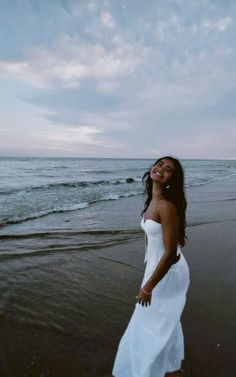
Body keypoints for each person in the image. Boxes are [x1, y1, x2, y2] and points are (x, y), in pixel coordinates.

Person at [112, 156, 190, 377]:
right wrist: (148, 262)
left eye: (168, 170)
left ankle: (152, 370)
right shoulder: (153, 200)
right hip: (157, 267)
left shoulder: (167, 206)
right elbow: (151, 235)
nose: (160, 169)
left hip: (170, 272)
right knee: (164, 324)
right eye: (159, 164)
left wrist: (147, 287)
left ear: (171, 180)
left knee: (154, 324)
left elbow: (170, 253)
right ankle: (170, 370)